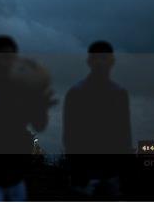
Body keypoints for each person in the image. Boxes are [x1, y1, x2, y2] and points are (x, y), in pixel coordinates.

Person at [0, 35, 55, 201]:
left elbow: (40, 125)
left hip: (14, 179)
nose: (3, 63)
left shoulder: (23, 92)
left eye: (8, 57)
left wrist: (40, 105)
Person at [63, 40, 132, 197]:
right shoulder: (76, 93)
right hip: (86, 173)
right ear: (89, 61)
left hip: (109, 172)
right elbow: (70, 136)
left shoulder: (119, 94)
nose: (100, 62)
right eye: (96, 58)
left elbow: (124, 135)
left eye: (104, 58)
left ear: (111, 61)